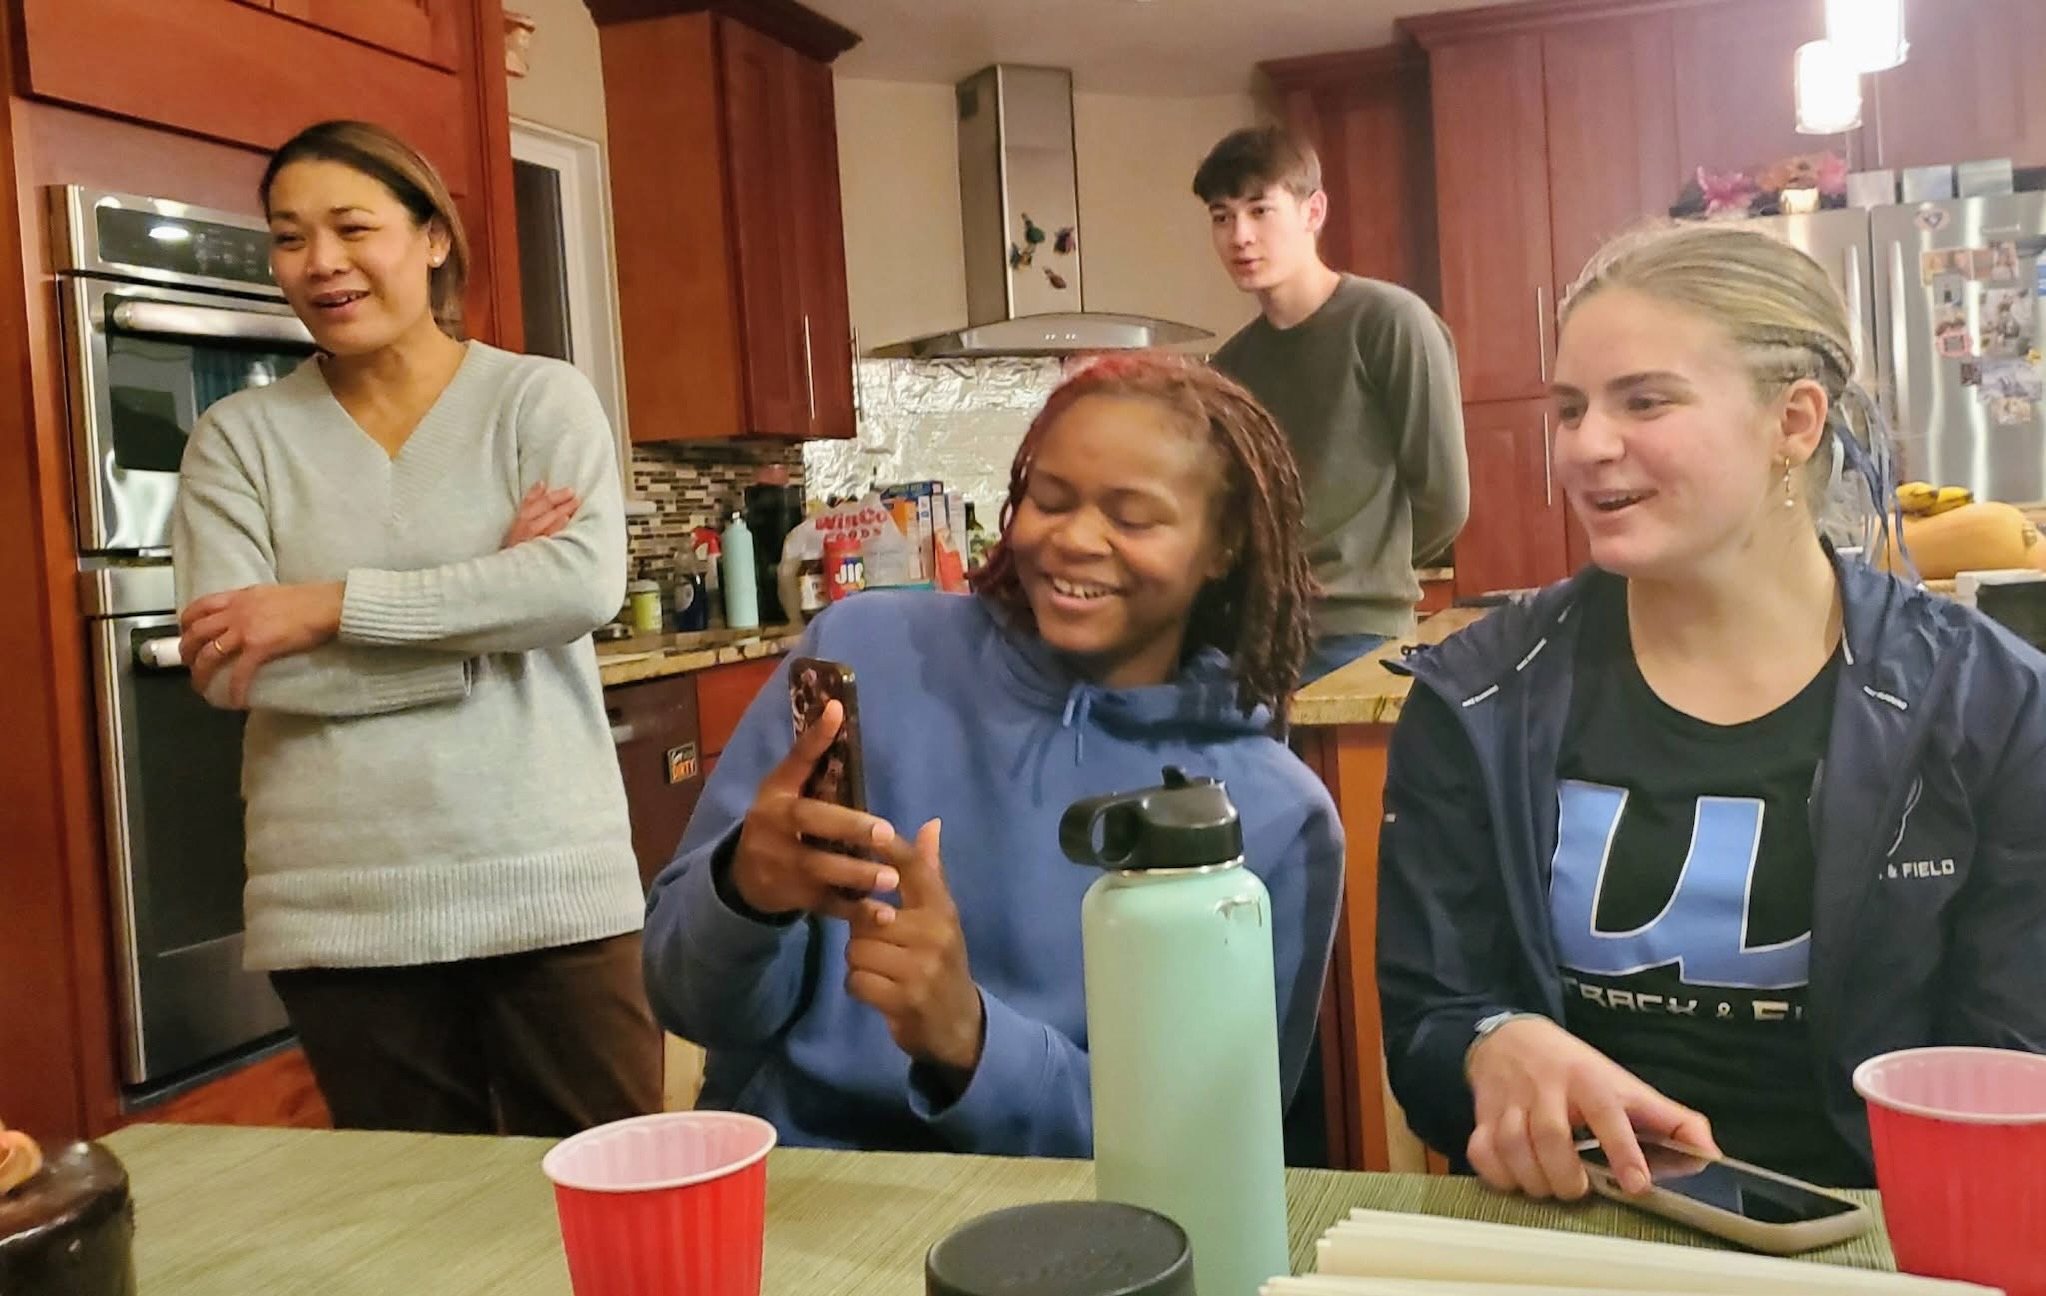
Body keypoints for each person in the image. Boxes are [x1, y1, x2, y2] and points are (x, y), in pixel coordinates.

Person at [1377, 221, 2046, 1198]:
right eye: (1571, 409)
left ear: (1794, 423)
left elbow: (2013, 1068)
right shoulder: (1477, 696)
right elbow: (1428, 1028)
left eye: (1645, 400)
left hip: (1881, 1229)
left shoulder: (1990, 707)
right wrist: (1490, 1045)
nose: (1587, 446)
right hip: (1574, 1221)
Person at [643, 353, 1344, 1155]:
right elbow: (685, 1001)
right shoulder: (863, 655)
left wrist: (971, 1041)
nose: (1074, 539)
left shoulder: (1274, 816)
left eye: (1133, 518)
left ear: (1224, 546)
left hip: (1078, 1219)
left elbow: (1210, 1146)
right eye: (1050, 500)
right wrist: (745, 897)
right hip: (799, 1190)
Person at [171, 120, 657, 1135]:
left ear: (433, 238)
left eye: (353, 228)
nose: (320, 262)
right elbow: (228, 666)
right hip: (339, 904)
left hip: (545, 877)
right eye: (290, 237)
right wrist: (486, 616)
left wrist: (325, 606)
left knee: (610, 1182)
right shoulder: (237, 439)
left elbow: (577, 586)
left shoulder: (537, 399)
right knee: (417, 1211)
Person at [1194, 125, 1468, 683]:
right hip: (1259, 638)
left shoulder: (1391, 322)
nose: (1240, 236)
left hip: (1358, 636)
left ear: (1313, 212)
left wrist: (1366, 571)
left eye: (1260, 210)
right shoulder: (1229, 368)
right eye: (1222, 217)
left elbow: (1444, 500)